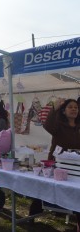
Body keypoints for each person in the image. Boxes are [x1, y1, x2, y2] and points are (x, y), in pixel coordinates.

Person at [29, 98, 80, 231]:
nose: (74, 109)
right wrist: (54, 108)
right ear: (64, 111)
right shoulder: (58, 125)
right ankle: (33, 213)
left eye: (76, 107)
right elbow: (47, 125)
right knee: (47, 188)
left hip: (75, 166)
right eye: (70, 107)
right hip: (57, 163)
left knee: (76, 192)